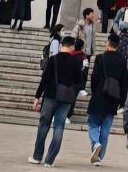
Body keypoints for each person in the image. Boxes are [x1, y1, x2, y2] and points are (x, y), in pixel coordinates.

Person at [33, 30, 87, 164]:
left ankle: (37, 156)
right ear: (72, 47)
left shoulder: (53, 59)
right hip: (66, 98)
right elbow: (79, 82)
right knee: (59, 126)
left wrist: (37, 96)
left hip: (50, 95)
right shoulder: (76, 62)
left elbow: (45, 79)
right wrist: (72, 91)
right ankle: (49, 160)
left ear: (62, 45)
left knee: (43, 125)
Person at [87, 30, 128, 164]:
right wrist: (122, 101)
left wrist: (94, 91)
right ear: (118, 45)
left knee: (92, 123)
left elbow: (94, 77)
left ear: (108, 43)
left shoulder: (100, 58)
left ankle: (96, 143)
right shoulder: (122, 61)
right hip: (113, 97)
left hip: (99, 94)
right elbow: (124, 83)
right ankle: (99, 158)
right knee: (105, 128)